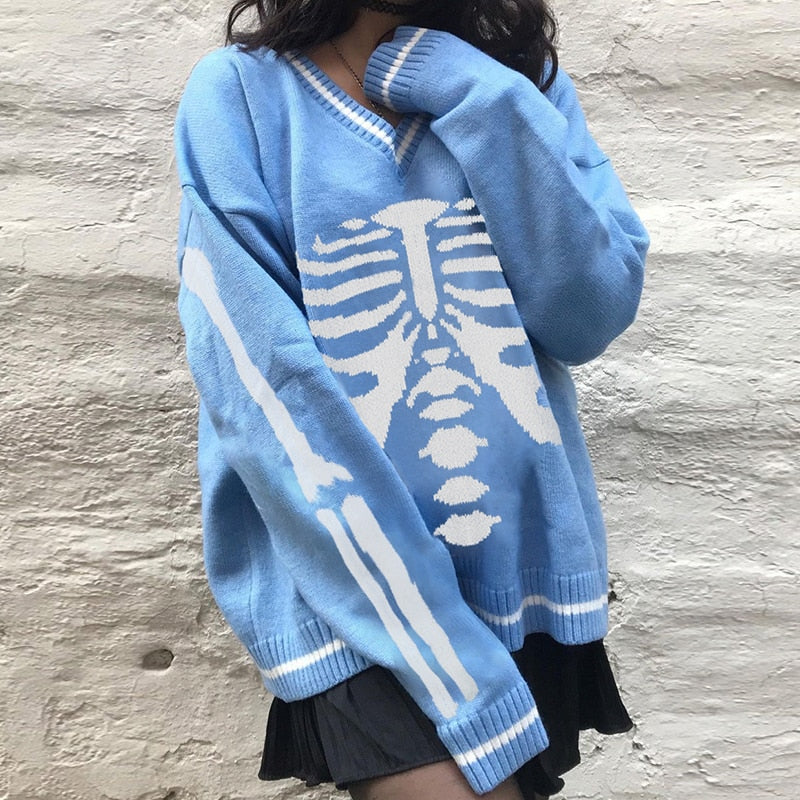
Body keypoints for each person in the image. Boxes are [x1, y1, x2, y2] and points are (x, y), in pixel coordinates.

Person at [173, 0, 650, 798]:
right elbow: (258, 376)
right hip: (346, 580)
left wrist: (485, 97)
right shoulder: (240, 94)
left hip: (518, 572)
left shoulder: (520, 84)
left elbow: (589, 314)